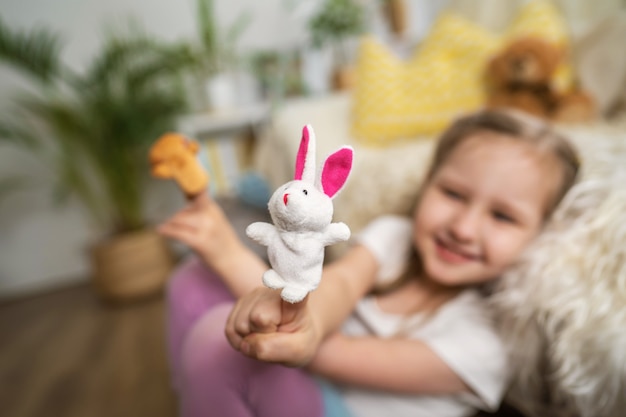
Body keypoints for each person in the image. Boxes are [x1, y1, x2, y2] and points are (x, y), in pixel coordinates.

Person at [158, 109, 580, 417]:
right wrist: (299, 313)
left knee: (220, 343)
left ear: (541, 237)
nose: (464, 228)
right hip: (308, 382)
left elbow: (326, 352)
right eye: (453, 194)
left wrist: (230, 253)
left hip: (336, 402)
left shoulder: (489, 342)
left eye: (502, 217)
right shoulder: (396, 237)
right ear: (427, 184)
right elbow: (338, 285)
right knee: (194, 280)